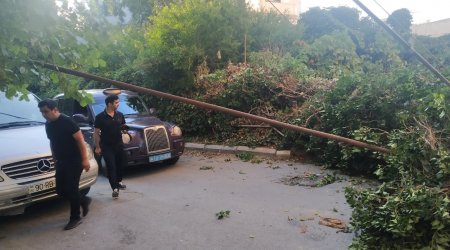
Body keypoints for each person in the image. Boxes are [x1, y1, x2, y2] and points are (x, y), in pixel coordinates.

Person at [38, 99, 91, 230]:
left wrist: (85, 160)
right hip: (61, 161)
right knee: (61, 191)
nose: (44, 114)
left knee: (71, 189)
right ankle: (83, 200)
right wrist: (54, 159)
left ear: (55, 109)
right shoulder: (48, 125)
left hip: (74, 160)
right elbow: (52, 142)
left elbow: (80, 141)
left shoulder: (67, 122)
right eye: (42, 112)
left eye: (46, 111)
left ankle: (75, 218)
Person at [94, 94, 127, 199]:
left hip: (119, 145)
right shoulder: (100, 117)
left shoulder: (120, 115)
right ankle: (115, 188)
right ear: (109, 104)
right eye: (116, 102)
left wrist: (125, 132)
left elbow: (123, 127)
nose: (118, 104)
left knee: (120, 165)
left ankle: (119, 181)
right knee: (111, 167)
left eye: (118, 102)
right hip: (107, 146)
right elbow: (96, 132)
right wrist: (98, 147)